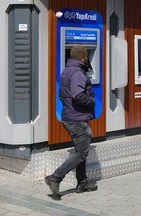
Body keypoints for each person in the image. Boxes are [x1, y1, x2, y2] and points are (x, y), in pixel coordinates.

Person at [45, 45, 98, 200]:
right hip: (77, 119)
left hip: (69, 116)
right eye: (86, 57)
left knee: (79, 150)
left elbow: (65, 94)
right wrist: (91, 102)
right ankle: (55, 178)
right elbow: (77, 95)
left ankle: (82, 182)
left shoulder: (67, 70)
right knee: (82, 152)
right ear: (83, 58)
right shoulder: (78, 73)